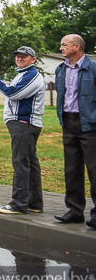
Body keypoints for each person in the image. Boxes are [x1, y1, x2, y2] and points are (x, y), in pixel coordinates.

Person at [0, 46, 45, 214]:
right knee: (30, 162)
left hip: (24, 123)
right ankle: (34, 203)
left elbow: (13, 93)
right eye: (18, 56)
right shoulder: (23, 74)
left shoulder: (32, 75)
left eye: (24, 56)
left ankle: (18, 204)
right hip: (23, 123)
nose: (20, 58)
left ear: (33, 60)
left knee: (21, 163)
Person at [53, 34, 96, 228]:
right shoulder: (61, 69)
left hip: (89, 124)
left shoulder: (93, 67)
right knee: (71, 169)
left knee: (94, 169)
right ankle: (75, 211)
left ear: (77, 47)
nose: (61, 48)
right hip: (68, 123)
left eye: (64, 45)